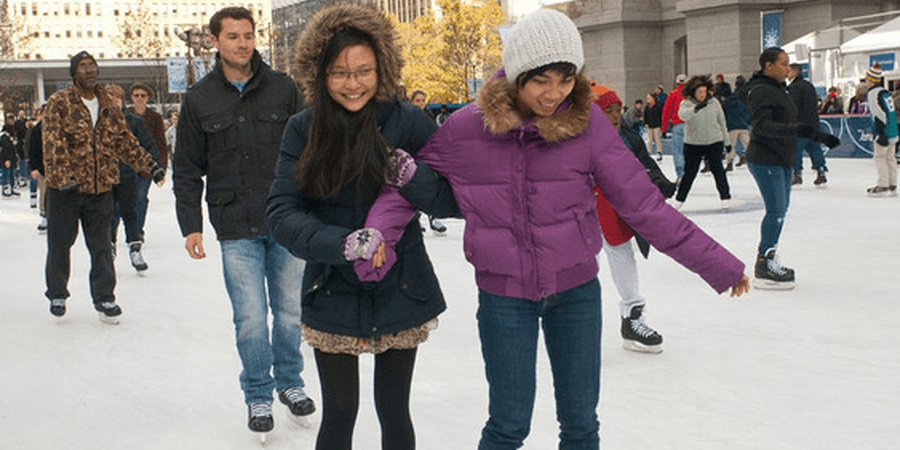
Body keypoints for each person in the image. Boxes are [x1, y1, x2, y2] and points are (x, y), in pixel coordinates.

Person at [359, 9, 749, 449]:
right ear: (518, 74)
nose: (554, 93)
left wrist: (717, 264)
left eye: (565, 80)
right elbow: (405, 184)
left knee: (581, 424)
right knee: (508, 425)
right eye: (542, 80)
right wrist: (379, 234)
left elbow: (643, 204)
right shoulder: (468, 128)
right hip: (504, 297)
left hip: (576, 294)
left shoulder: (586, 125)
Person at [264, 4, 446, 449]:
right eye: (340, 72)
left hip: (402, 284)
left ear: (381, 69)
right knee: (340, 411)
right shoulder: (303, 129)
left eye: (364, 71)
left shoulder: (408, 122)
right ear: (321, 74)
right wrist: (343, 243)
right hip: (332, 285)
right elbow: (281, 212)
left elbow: (452, 197)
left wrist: (413, 178)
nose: (353, 83)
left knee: (394, 408)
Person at [172, 6, 314, 436]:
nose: (242, 43)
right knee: (250, 316)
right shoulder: (199, 100)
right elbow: (186, 168)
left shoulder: (284, 89)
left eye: (248, 35)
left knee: (290, 312)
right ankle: (257, 394)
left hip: (286, 219)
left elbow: (311, 149)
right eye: (232, 36)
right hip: (234, 224)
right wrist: (190, 224)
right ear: (215, 41)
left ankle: (290, 384)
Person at [41, 51, 164, 322]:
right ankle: (57, 292)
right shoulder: (59, 102)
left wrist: (149, 164)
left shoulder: (107, 103)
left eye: (92, 66)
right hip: (66, 191)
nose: (89, 70)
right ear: (73, 73)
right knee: (61, 244)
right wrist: (63, 179)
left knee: (102, 246)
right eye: (83, 67)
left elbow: (124, 140)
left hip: (100, 189)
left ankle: (105, 298)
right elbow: (52, 143)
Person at [745, 47, 840, 290]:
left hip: (782, 157)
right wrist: (798, 131)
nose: (788, 68)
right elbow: (762, 125)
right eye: (783, 64)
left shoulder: (781, 89)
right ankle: (764, 263)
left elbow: (792, 122)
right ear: (768, 65)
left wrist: (814, 134)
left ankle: (769, 255)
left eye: (788, 64)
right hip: (765, 158)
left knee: (781, 210)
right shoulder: (760, 90)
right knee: (776, 211)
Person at [591, 84, 676, 353]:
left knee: (622, 255)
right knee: (578, 270)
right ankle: (576, 330)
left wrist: (660, 182)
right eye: (608, 110)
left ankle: (632, 318)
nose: (615, 115)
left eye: (618, 109)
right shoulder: (575, 139)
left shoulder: (628, 137)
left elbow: (644, 164)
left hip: (614, 211)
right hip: (579, 213)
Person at [108, 84, 162, 271]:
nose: (114, 102)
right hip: (106, 176)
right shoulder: (99, 123)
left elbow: (148, 144)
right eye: (110, 98)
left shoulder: (133, 121)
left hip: (129, 173)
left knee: (130, 210)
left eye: (116, 98)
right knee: (110, 213)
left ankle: (135, 247)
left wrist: (156, 167)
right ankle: (110, 246)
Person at [673, 74, 732, 210]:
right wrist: (696, 109)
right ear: (693, 92)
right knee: (690, 173)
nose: (702, 94)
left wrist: (727, 142)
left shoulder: (714, 103)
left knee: (718, 170)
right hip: (693, 143)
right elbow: (682, 115)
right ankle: (679, 199)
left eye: (704, 92)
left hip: (713, 141)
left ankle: (725, 197)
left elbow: (722, 122)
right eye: (699, 92)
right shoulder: (686, 104)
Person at [126, 83, 167, 266]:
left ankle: (138, 231)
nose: (139, 98)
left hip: (146, 166)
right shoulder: (124, 115)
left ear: (147, 98)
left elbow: (160, 143)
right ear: (132, 97)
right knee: (124, 201)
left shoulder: (155, 117)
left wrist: (161, 168)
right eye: (136, 95)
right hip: (126, 166)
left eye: (143, 95)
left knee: (141, 198)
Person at [409, 89, 447, 234]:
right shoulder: (406, 116)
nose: (421, 103)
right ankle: (414, 219)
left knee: (431, 186)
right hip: (411, 156)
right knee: (414, 188)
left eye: (423, 100)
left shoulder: (428, 116)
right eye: (417, 100)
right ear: (412, 102)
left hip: (427, 156)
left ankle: (434, 217)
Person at [787, 63, 828, 187]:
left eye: (788, 71)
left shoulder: (794, 88)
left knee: (796, 150)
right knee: (815, 149)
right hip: (813, 124)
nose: (786, 74)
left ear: (794, 72)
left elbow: (793, 107)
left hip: (800, 125)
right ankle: (820, 171)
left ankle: (797, 174)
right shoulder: (809, 85)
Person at [863, 64, 898, 196]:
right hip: (893, 130)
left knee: (880, 158)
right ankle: (892, 185)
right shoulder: (885, 92)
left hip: (883, 131)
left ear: (871, 79)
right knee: (890, 158)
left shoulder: (873, 93)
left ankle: (883, 185)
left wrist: (879, 133)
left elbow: (878, 114)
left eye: (867, 78)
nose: (866, 81)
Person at [662, 73, 688, 182]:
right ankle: (688, 173)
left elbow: (666, 112)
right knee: (689, 151)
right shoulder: (691, 95)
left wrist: (664, 129)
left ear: (676, 83)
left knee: (678, 151)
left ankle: (681, 173)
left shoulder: (673, 95)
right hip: (690, 125)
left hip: (677, 125)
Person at [26, 105, 47, 232]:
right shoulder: (36, 130)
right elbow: (31, 149)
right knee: (44, 192)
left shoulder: (59, 127)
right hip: (42, 167)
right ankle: (44, 215)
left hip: (59, 169)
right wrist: (34, 167)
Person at [723, 75, 750, 170]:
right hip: (743, 125)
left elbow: (723, 115)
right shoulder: (740, 101)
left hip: (732, 127)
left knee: (731, 146)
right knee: (747, 144)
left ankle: (729, 163)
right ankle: (753, 159)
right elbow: (746, 112)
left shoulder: (726, 103)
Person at [644, 92, 664, 160]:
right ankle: (649, 152)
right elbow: (645, 116)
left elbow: (661, 116)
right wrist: (646, 123)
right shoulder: (647, 107)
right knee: (649, 140)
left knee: (657, 139)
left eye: (649, 98)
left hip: (657, 125)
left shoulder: (658, 107)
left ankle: (659, 152)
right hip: (649, 125)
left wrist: (660, 124)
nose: (648, 99)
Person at [1, 122, 17, 197]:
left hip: (10, 158)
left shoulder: (7, 137)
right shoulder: (5, 137)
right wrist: (7, 159)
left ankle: (11, 188)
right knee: (6, 174)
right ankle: (6, 189)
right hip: (6, 159)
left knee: (10, 174)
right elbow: (6, 149)